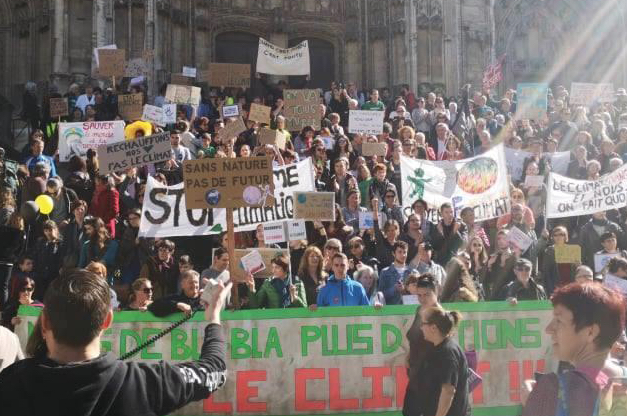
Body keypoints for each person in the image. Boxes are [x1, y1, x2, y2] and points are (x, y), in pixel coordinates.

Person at [0, 269, 230, 415]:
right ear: (107, 320)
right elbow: (214, 371)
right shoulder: (146, 383)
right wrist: (213, 318)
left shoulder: (11, 384)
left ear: (45, 322)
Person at [522, 282, 627, 416]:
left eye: (559, 321)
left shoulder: (552, 389)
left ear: (591, 332)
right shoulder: (622, 381)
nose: (548, 329)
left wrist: (536, 402)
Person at [406, 306, 469, 416]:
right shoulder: (438, 347)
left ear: (433, 328)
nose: (421, 327)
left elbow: (448, 391)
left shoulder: (448, 353)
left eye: (423, 324)